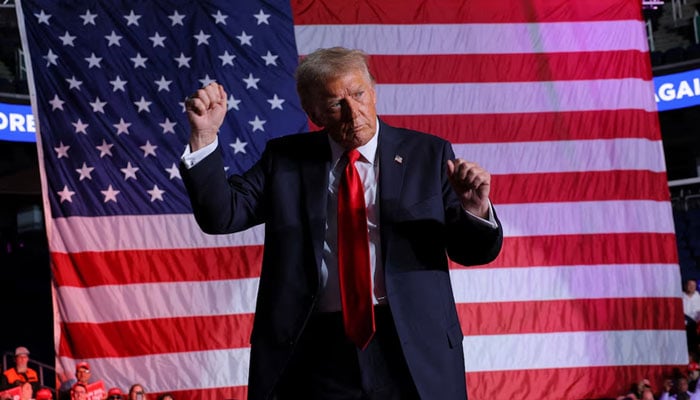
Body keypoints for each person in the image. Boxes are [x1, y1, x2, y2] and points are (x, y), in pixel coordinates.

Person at [182, 46, 503, 400]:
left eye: (359, 94)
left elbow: (473, 251)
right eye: (337, 103)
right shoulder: (285, 160)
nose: (354, 111)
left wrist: (475, 209)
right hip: (314, 349)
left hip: (411, 345)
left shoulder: (429, 155)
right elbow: (221, 215)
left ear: (374, 90)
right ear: (314, 113)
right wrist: (204, 137)